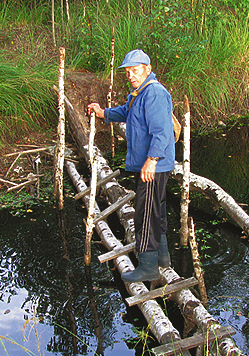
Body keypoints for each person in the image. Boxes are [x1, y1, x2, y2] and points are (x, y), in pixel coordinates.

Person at [87, 49, 175, 283]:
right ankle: (163, 259)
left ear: (147, 68)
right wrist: (103, 112)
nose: (131, 75)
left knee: (145, 213)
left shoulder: (154, 93)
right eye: (127, 72)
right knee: (156, 209)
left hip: (153, 165)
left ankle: (148, 268)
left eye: (135, 70)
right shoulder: (139, 93)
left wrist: (151, 161)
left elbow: (162, 132)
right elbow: (126, 112)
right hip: (151, 164)